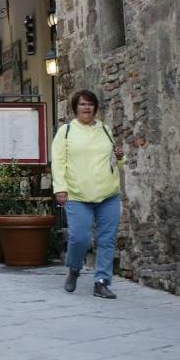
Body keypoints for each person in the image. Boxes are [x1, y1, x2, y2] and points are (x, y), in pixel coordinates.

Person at [52, 89, 125, 299]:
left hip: (108, 194)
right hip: (77, 194)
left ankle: (101, 282)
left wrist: (119, 156)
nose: (87, 108)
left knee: (107, 240)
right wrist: (60, 189)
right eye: (82, 104)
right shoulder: (66, 132)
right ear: (75, 108)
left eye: (90, 104)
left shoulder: (105, 130)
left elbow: (115, 161)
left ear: (95, 108)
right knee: (79, 238)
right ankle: (74, 269)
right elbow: (58, 163)